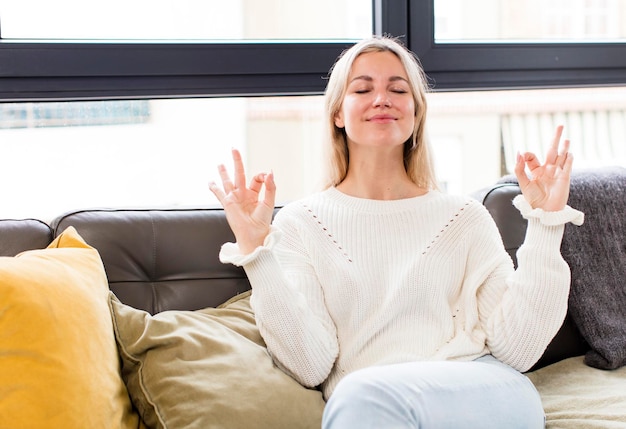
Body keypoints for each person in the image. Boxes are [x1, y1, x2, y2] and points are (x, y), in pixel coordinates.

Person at [209, 36, 584, 429]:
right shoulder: (301, 224)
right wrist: (256, 250)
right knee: (361, 397)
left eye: (397, 89)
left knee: (360, 396)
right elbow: (309, 365)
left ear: (416, 113)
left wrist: (545, 222)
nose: (382, 98)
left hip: (484, 391)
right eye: (363, 88)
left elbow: (518, 350)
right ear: (337, 113)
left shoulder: (464, 217)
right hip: (368, 406)